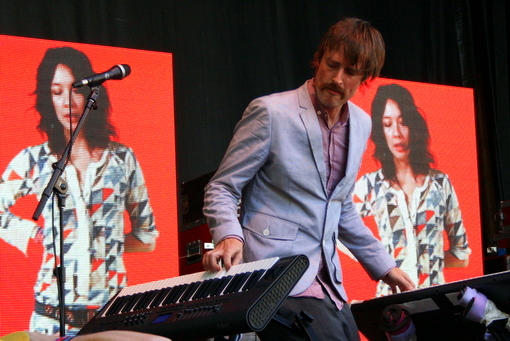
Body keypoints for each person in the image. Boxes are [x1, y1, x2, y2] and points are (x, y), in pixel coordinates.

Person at [202, 18, 415, 341]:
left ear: (365, 78)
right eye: (332, 65)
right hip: (274, 275)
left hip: (328, 282)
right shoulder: (271, 113)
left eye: (351, 72)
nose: (338, 79)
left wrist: (385, 266)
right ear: (319, 58)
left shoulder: (360, 124)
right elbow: (222, 187)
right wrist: (230, 237)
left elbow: (340, 208)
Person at [0, 47, 159, 335]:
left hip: (110, 318)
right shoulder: (35, 159)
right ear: (48, 98)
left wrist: (102, 245)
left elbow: (146, 236)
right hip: (49, 321)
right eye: (56, 91)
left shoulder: (122, 159)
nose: (67, 102)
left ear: (90, 93)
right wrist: (36, 233)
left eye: (74, 89)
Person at [352, 83, 471, 297]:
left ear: (414, 126)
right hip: (391, 304)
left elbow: (462, 254)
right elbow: (339, 230)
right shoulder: (370, 185)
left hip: (436, 299)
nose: (397, 133)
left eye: (403, 122)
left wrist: (429, 259)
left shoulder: (440, 183)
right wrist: (377, 260)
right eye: (387, 124)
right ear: (381, 131)